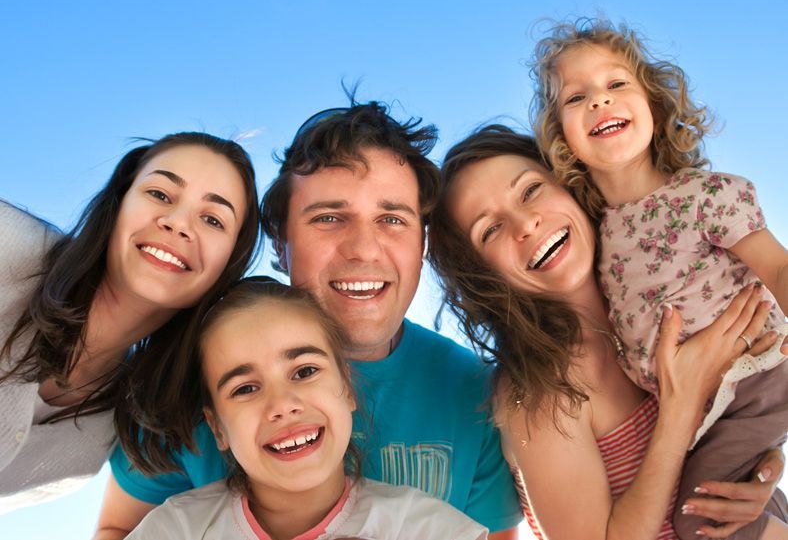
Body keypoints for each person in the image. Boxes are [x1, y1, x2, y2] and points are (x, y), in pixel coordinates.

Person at [97, 102, 522, 539]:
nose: (364, 249)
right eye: (329, 218)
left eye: (392, 219)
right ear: (280, 242)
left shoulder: (474, 394)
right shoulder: (192, 373)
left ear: (423, 244)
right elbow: (119, 529)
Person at [429, 125, 788, 540]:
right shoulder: (542, 393)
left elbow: (746, 407)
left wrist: (762, 463)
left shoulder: (663, 308)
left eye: (530, 191)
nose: (525, 224)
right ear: (480, 275)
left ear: (569, 187)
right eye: (489, 230)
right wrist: (678, 408)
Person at [529, 19, 788, 538]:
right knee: (738, 505)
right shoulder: (595, 236)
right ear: (561, 135)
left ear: (655, 105)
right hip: (703, 408)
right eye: (577, 97)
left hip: (750, 378)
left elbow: (778, 266)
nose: (600, 101)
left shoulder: (707, 195)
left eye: (617, 84)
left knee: (702, 518)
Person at [0, 132, 261, 513]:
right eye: (159, 194)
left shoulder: (100, 438)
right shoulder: (9, 244)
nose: (177, 223)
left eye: (212, 219)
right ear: (118, 203)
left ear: (228, 264)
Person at [126, 276, 488, 540]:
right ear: (217, 426)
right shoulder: (176, 529)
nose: (282, 405)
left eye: (304, 371)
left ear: (346, 388)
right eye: (245, 388)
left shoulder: (427, 529)